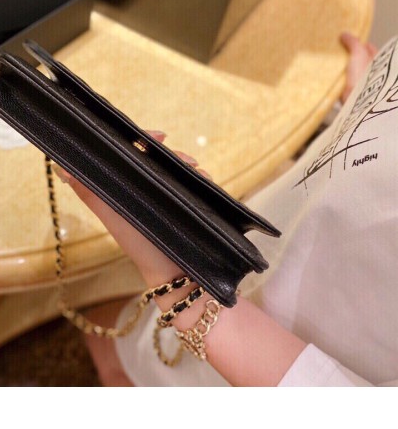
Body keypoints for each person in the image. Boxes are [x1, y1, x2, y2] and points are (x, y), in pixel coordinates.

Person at [53, 32, 398, 387]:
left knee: (118, 351)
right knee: (121, 338)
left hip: (252, 346)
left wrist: (180, 281)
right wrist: (371, 102)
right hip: (253, 274)